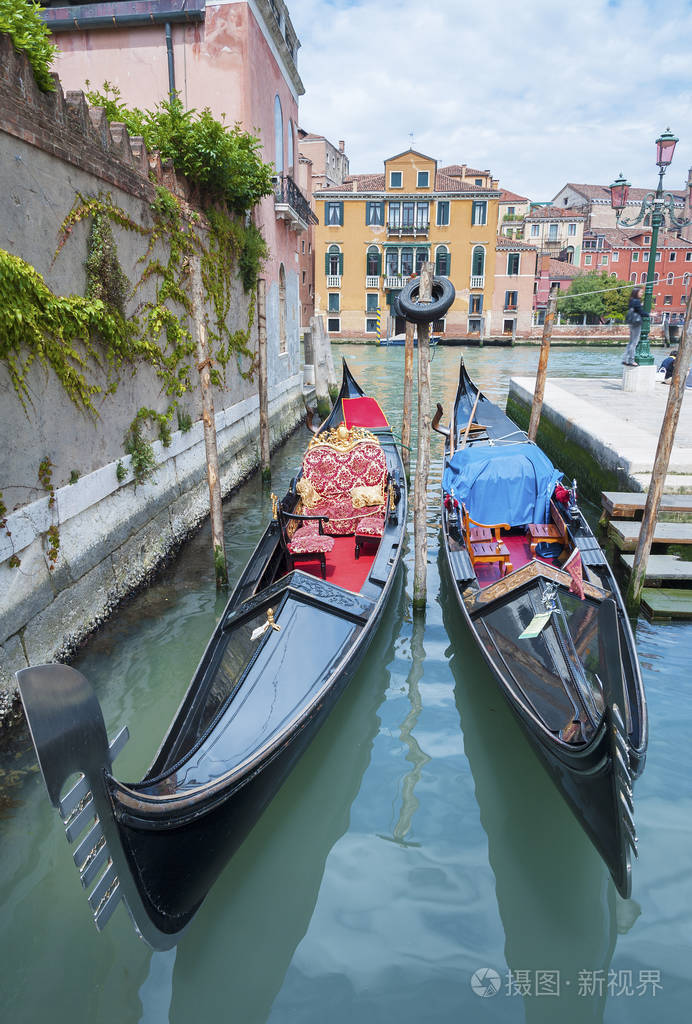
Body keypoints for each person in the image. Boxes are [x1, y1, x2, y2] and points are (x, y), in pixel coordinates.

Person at [623, 287, 645, 366]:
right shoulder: (637, 301)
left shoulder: (631, 300)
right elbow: (640, 312)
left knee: (630, 342)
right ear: (636, 293)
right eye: (640, 292)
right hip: (636, 323)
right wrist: (650, 314)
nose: (642, 294)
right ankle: (631, 360)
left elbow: (635, 309)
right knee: (634, 342)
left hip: (631, 323)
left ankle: (624, 359)